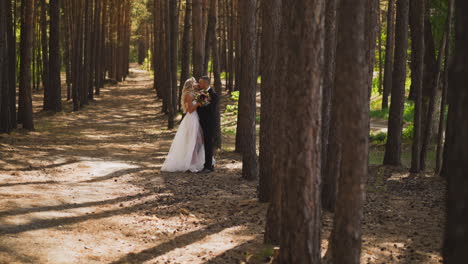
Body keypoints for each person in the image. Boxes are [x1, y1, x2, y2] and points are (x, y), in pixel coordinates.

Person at [161, 78, 205, 172]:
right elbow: (190, 110)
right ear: (191, 84)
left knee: (198, 140)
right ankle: (191, 163)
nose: (197, 83)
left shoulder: (193, 93)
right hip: (191, 119)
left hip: (195, 118)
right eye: (195, 82)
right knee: (194, 140)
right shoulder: (189, 95)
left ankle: (193, 161)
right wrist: (198, 103)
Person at [196, 76, 218, 173]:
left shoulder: (212, 94)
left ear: (205, 83)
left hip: (209, 123)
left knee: (208, 144)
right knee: (205, 144)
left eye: (200, 83)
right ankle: (207, 164)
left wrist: (199, 103)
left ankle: (208, 167)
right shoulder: (202, 93)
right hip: (202, 123)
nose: (198, 84)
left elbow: (209, 110)